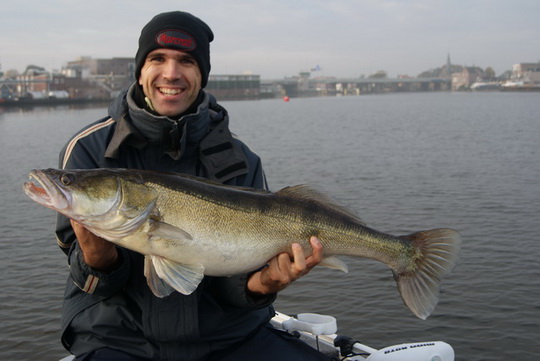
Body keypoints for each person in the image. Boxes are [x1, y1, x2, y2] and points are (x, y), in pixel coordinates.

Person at [55, 11, 331, 361]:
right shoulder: (90, 150)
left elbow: (235, 286)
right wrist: (98, 259)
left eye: (186, 61)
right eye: (157, 59)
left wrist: (266, 282)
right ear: (140, 71)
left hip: (229, 338)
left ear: (201, 74)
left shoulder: (241, 159)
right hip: (117, 339)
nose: (171, 73)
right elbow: (90, 282)